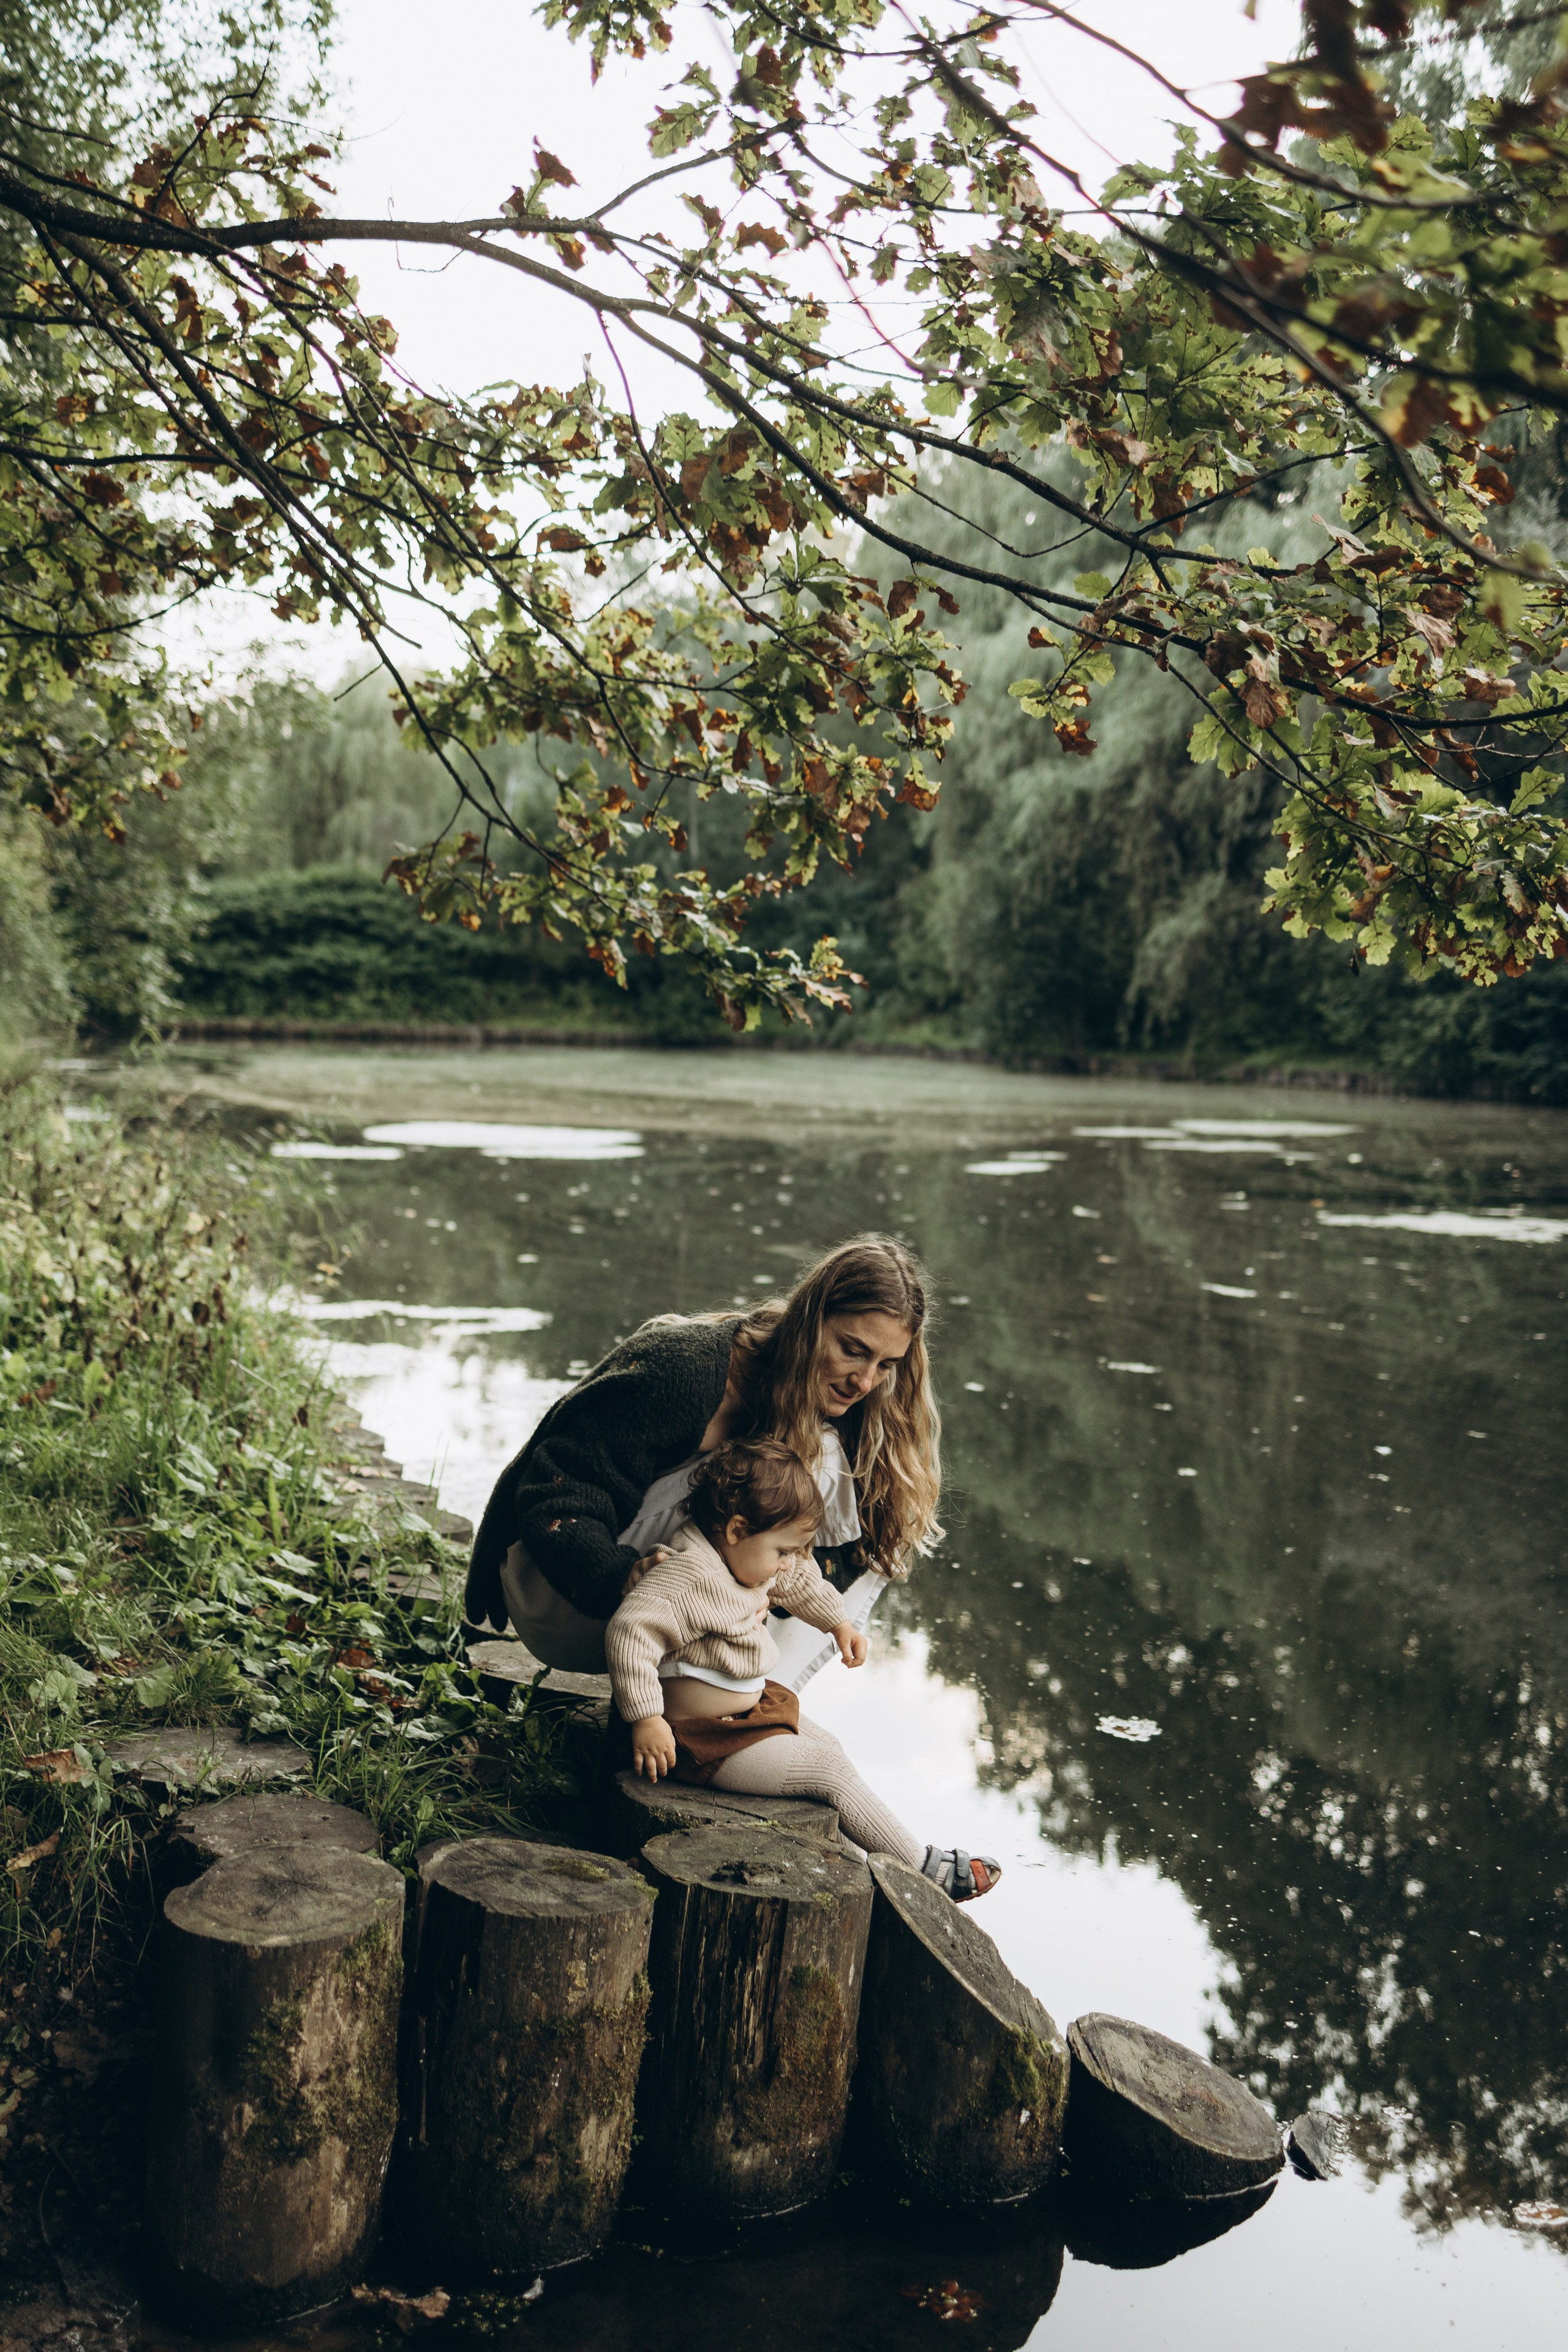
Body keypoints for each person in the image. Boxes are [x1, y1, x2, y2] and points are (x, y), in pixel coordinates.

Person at [466, 1232, 998, 1899]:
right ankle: (692, 1718)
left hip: (664, 1603)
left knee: (851, 1509)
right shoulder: (689, 1370)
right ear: (811, 1321)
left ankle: (725, 1693)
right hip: (564, 1589)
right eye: (852, 1349)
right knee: (804, 1477)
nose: (865, 1381)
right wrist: (623, 1577)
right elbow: (554, 1491)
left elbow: (824, 1558)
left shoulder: (840, 1400)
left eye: (885, 1364)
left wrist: (815, 1615)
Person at [604, 1436, 998, 1899]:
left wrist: (838, 1624)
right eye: (783, 1550)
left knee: (829, 1745)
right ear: (735, 1529)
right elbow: (630, 1632)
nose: (787, 1563)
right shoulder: (691, 1575)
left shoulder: (751, 1556)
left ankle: (880, 1870)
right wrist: (647, 1718)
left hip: (748, 1713)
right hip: (699, 1740)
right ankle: (922, 1870)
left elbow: (801, 1581)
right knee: (826, 1771)